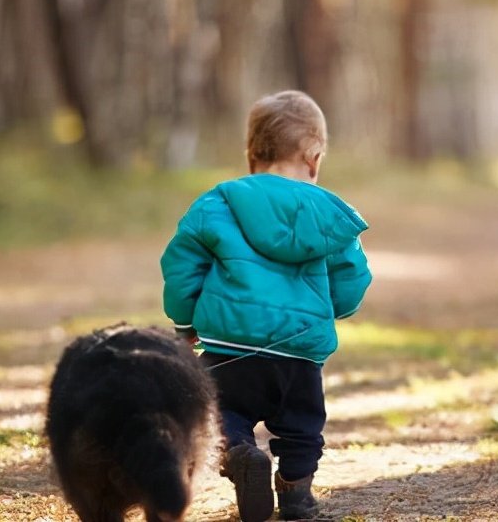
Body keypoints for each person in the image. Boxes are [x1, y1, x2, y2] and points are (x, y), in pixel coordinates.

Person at [160, 90, 373, 522]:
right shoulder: (329, 216)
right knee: (302, 427)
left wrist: (185, 321)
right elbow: (350, 281)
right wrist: (329, 310)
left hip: (229, 345)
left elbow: (182, 267)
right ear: (314, 156)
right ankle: (296, 495)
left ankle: (240, 454)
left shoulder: (217, 203)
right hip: (298, 355)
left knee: (222, 413)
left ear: (252, 153)